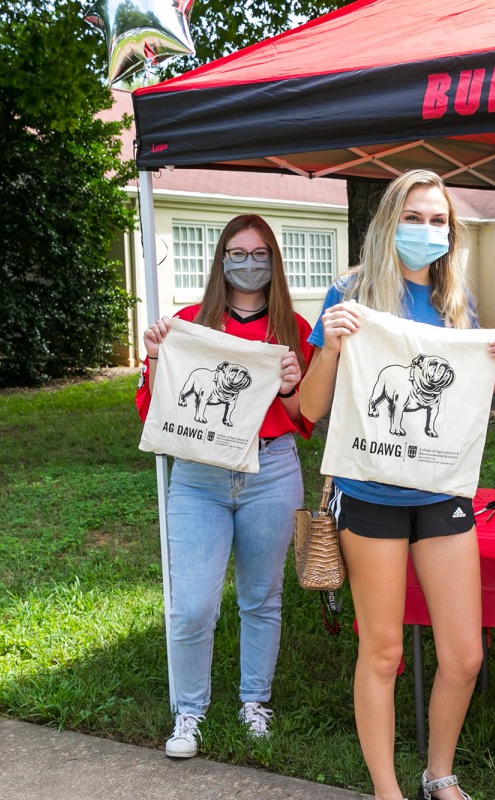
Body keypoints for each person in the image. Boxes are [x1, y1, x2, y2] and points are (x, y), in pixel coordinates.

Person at [299, 169, 495, 800]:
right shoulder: (351, 294)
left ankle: (439, 775)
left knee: (464, 655)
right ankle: (387, 791)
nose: (427, 231)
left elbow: (461, 404)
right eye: (414, 218)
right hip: (370, 495)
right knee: (383, 651)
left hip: (442, 494)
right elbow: (310, 410)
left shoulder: (457, 305)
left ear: (451, 232)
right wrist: (332, 349)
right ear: (388, 223)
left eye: (438, 220)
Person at [136, 214, 314, 758]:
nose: (248, 262)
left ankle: (254, 701)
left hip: (272, 471)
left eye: (260, 253)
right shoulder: (188, 323)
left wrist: (290, 387)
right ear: (220, 260)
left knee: (262, 598)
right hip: (199, 477)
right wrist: (154, 360)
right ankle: (189, 711)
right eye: (237, 252)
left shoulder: (296, 331)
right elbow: (152, 412)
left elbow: (306, 418)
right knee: (191, 605)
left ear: (274, 262)